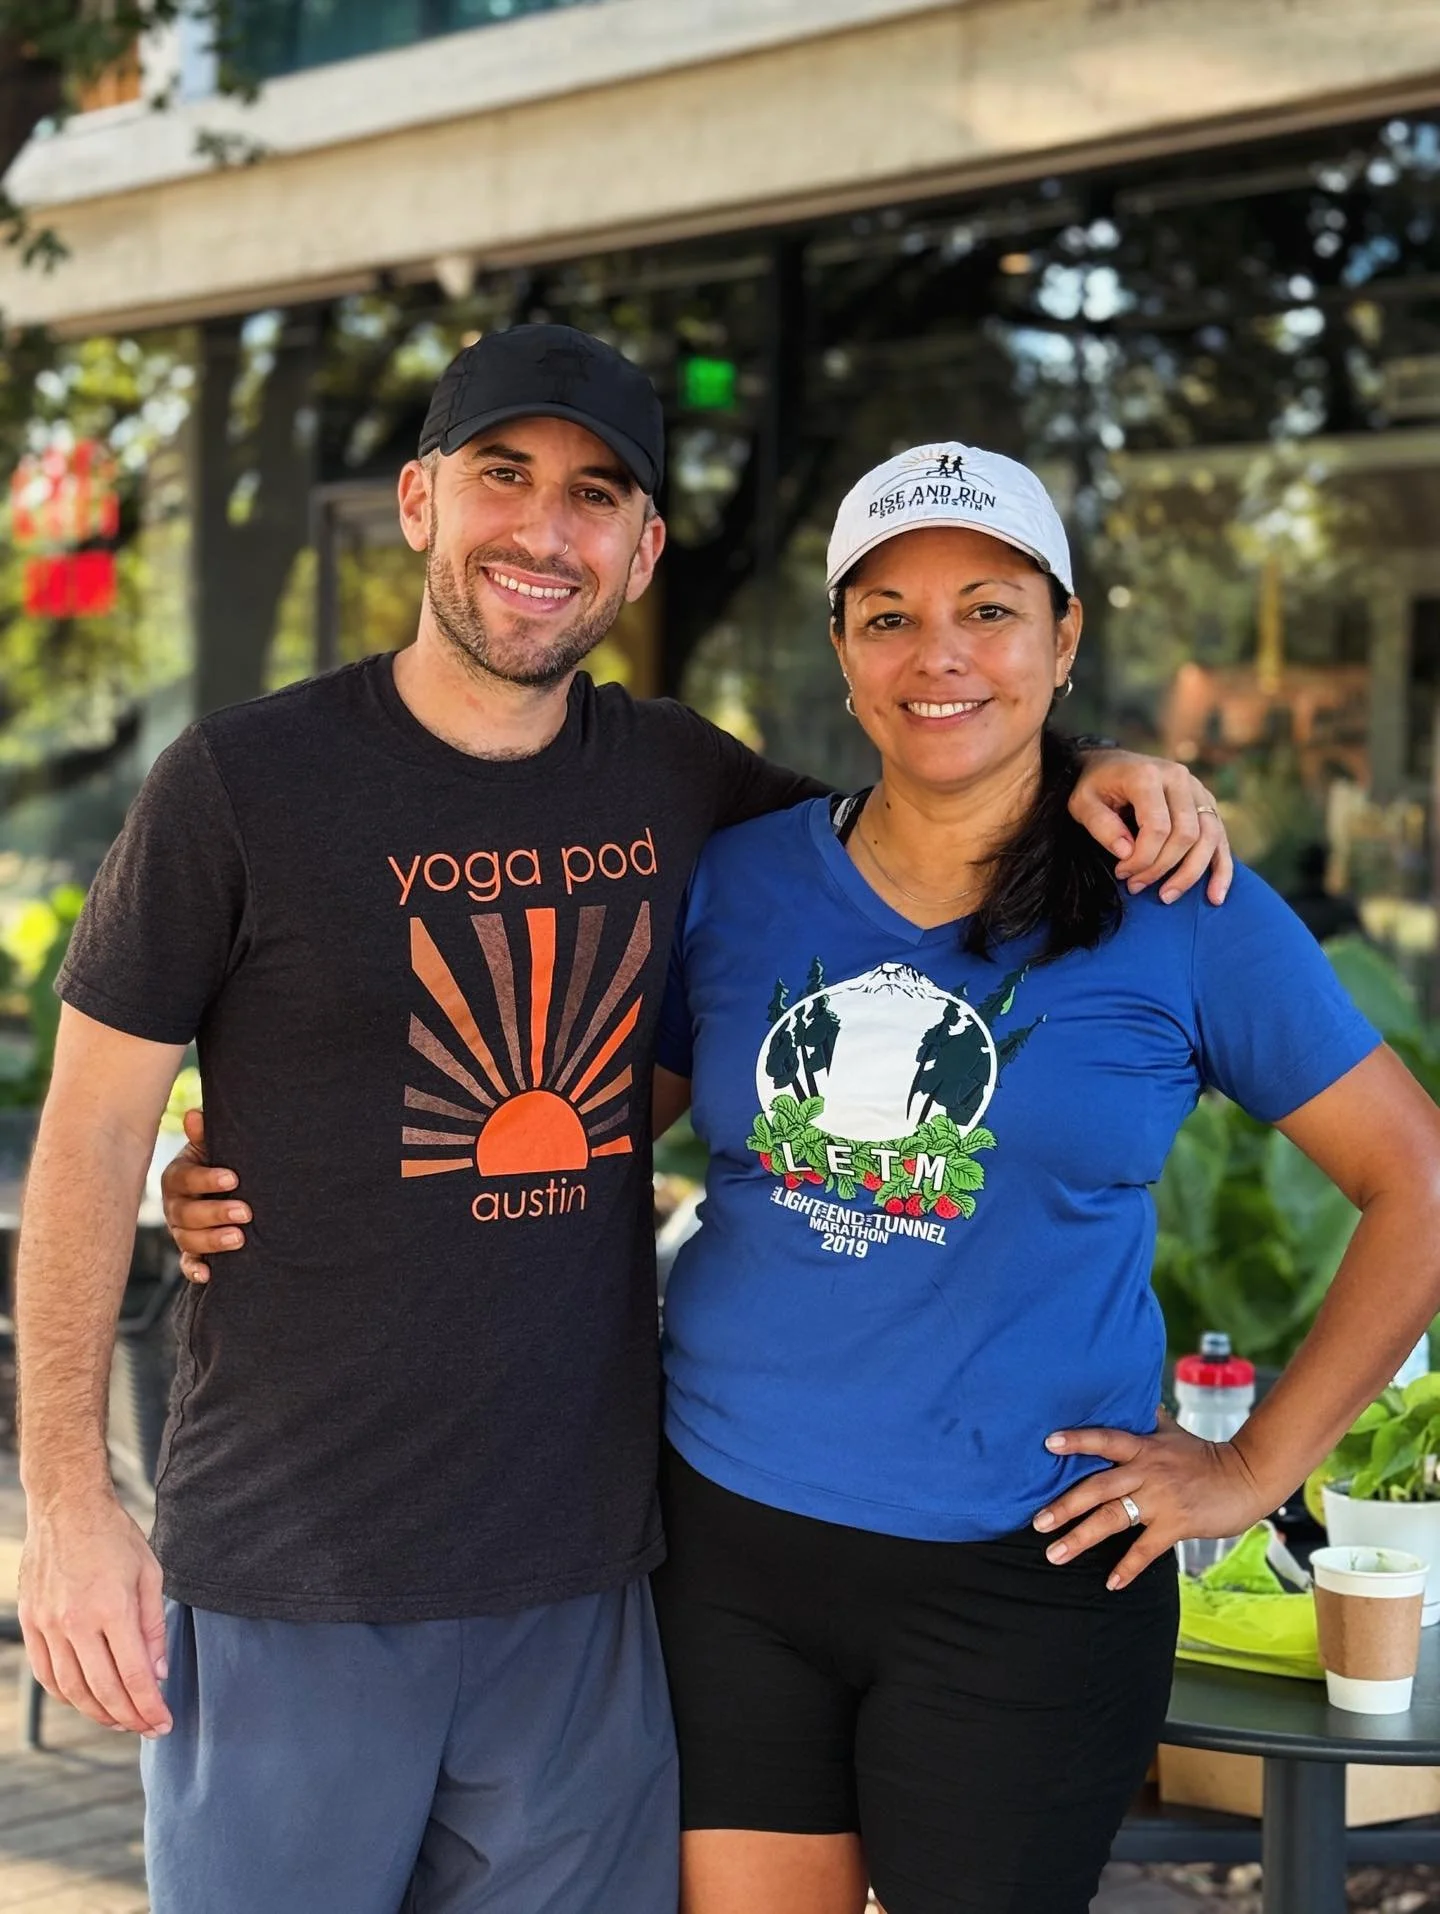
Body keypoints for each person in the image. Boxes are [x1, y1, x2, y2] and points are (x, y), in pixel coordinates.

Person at [23, 320, 1224, 1914]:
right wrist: (65, 1505)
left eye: (597, 494)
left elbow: (940, 790)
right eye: (502, 476)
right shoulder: (239, 784)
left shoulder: (683, 782)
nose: (544, 528)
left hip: (590, 1592)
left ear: (645, 549)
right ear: (418, 502)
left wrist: (1106, 766)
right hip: (298, 1577)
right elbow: (93, 1132)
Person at [630, 445, 1440, 1914]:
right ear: (844, 650)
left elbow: (1418, 1184)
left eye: (988, 608)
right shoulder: (738, 882)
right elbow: (589, 1141)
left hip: (1024, 1578)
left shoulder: (1178, 906)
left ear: (1065, 639)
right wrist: (279, 1174)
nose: (938, 654)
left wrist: (1257, 1467)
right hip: (729, 1549)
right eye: (887, 614)